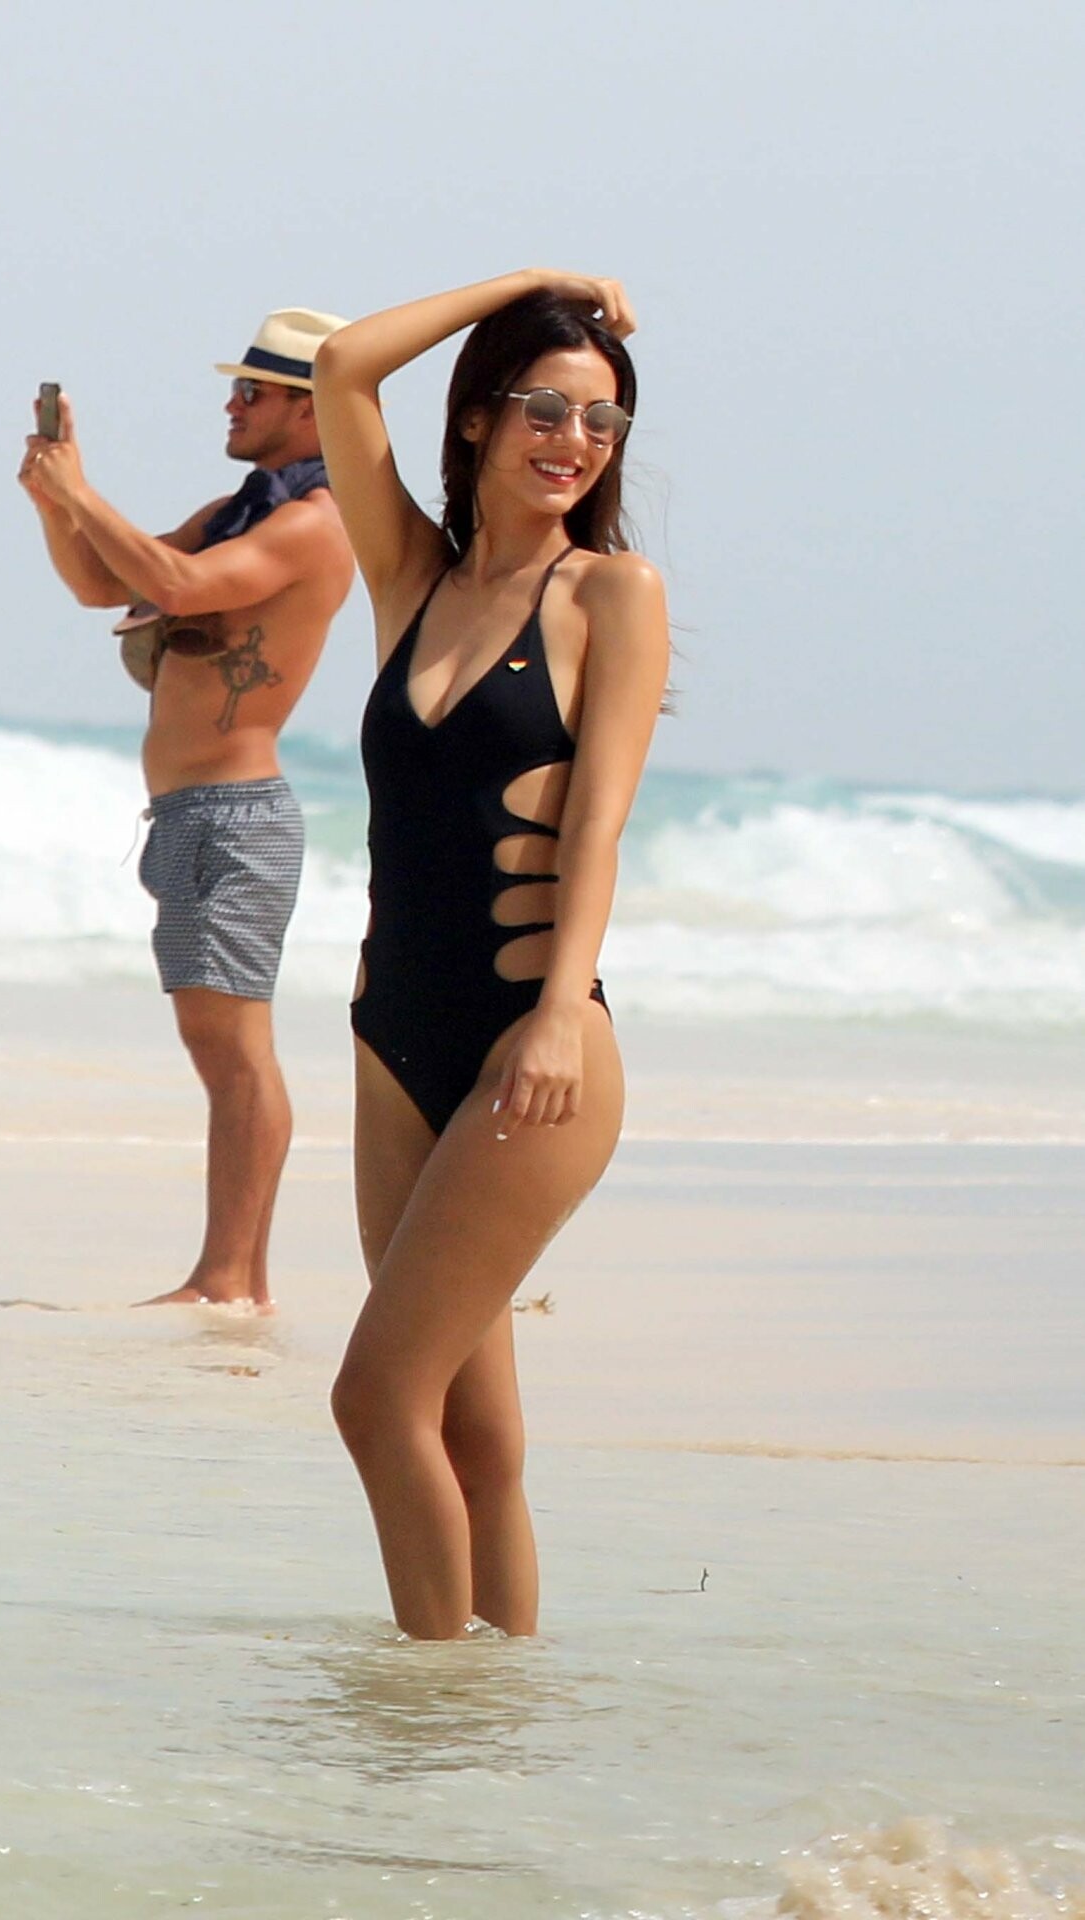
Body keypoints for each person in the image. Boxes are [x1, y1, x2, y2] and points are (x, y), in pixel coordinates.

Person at [312, 271, 670, 1638]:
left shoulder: (611, 594)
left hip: (536, 1047)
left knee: (375, 1397)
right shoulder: (411, 580)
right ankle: (502, 1712)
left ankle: (425, 1707)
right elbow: (344, 368)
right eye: (544, 408)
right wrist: (534, 280)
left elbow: (600, 825)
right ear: (476, 418)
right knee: (474, 1433)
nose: (574, 441)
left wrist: (564, 1010)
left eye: (602, 420)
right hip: (393, 1038)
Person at [18, 310, 355, 1310]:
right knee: (220, 1050)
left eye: (252, 391)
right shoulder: (241, 510)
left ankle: (227, 1279)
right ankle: (238, 1278)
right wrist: (55, 500)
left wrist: (85, 494)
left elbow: (180, 585)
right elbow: (104, 583)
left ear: (311, 410)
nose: (231, 404)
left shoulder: (313, 524)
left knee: (235, 1053)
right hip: (193, 816)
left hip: (236, 816)